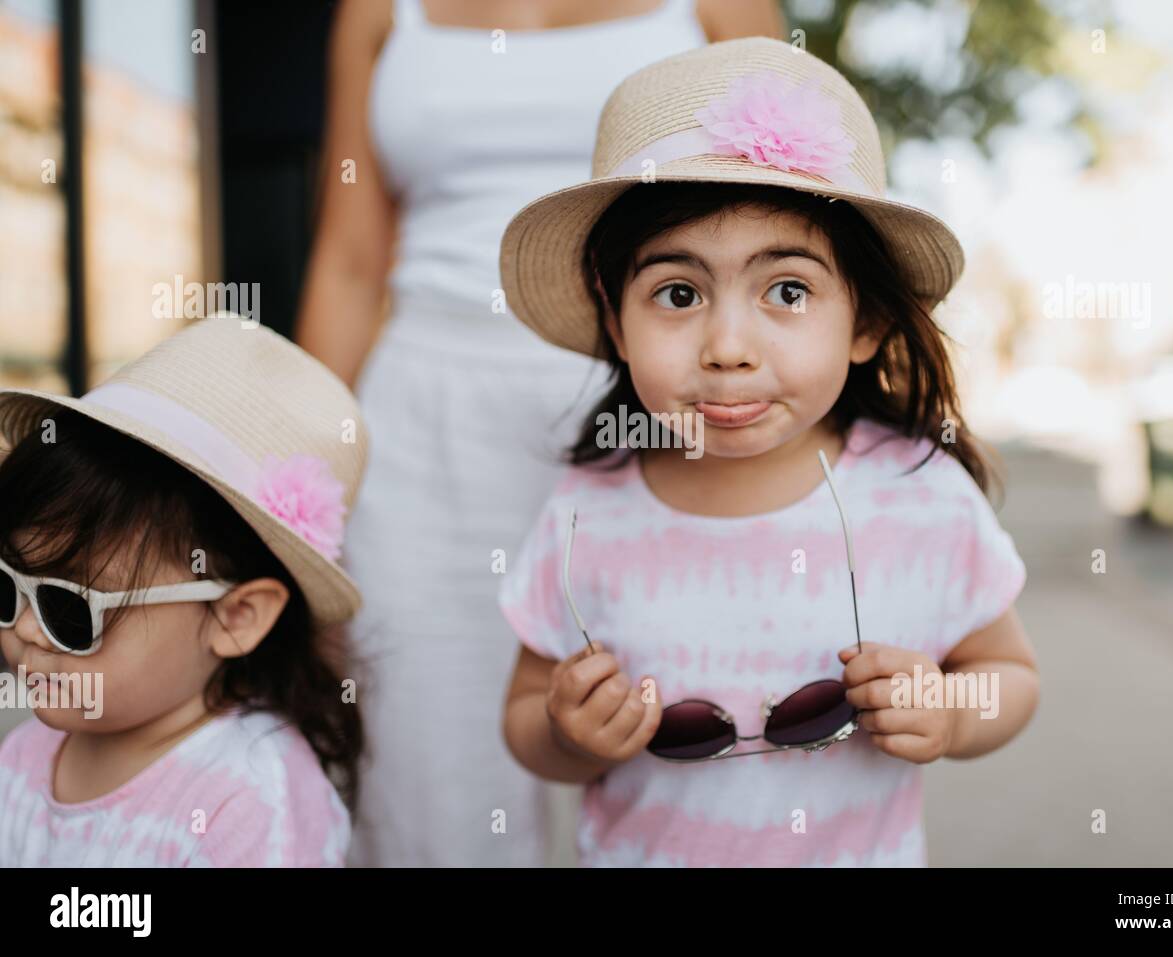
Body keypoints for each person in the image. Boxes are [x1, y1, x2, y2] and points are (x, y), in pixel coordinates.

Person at [498, 37, 1040, 866]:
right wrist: (569, 733)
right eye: (677, 293)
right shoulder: (588, 505)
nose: (727, 346)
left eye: (787, 290)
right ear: (616, 323)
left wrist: (955, 709)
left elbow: (1010, 672)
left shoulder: (919, 493)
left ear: (864, 321)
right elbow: (527, 712)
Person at [295, 0, 784, 866]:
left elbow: (788, 223)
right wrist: (302, 503)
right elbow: (348, 260)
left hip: (659, 411)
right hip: (422, 420)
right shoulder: (374, 13)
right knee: (427, 796)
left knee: (694, 765)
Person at [0, 316, 368, 866]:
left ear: (235, 616)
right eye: (8, 588)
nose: (25, 628)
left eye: (71, 609)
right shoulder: (27, 754)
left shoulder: (251, 803)